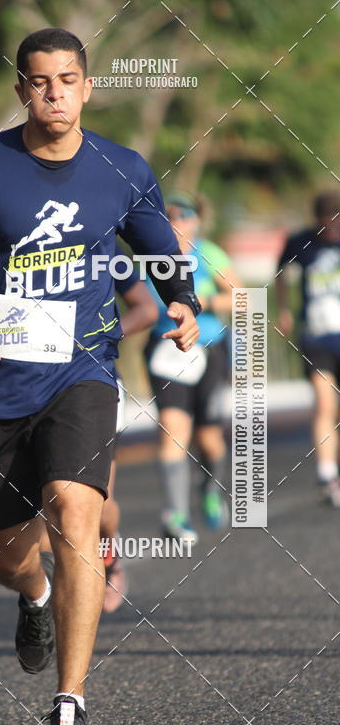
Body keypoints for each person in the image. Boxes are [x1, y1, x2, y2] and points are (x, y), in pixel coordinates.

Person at [0, 28, 200, 725]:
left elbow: (160, 250)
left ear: (88, 86)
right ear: (21, 91)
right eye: (39, 82)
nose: (54, 94)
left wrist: (183, 301)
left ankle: (69, 701)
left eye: (67, 80)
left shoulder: (121, 168)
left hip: (85, 370)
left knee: (75, 506)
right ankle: (34, 595)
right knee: (7, 550)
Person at [37, 275, 160, 614]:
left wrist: (100, 336)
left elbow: (146, 309)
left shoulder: (98, 232)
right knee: (44, 507)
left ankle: (109, 553)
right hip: (25, 389)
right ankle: (44, 596)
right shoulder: (6, 233)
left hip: (91, 385)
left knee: (98, 502)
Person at [144, 193, 242, 545]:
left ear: (197, 220)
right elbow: (137, 300)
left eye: (184, 216)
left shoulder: (210, 253)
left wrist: (207, 301)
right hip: (166, 351)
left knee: (209, 438)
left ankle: (210, 487)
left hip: (210, 350)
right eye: (169, 216)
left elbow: (240, 297)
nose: (177, 223)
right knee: (172, 429)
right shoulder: (153, 256)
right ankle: (176, 514)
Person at [276, 190, 340, 507]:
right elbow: (280, 271)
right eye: (326, 223)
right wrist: (284, 309)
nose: (331, 230)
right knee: (325, 404)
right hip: (316, 336)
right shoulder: (302, 242)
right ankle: (328, 475)